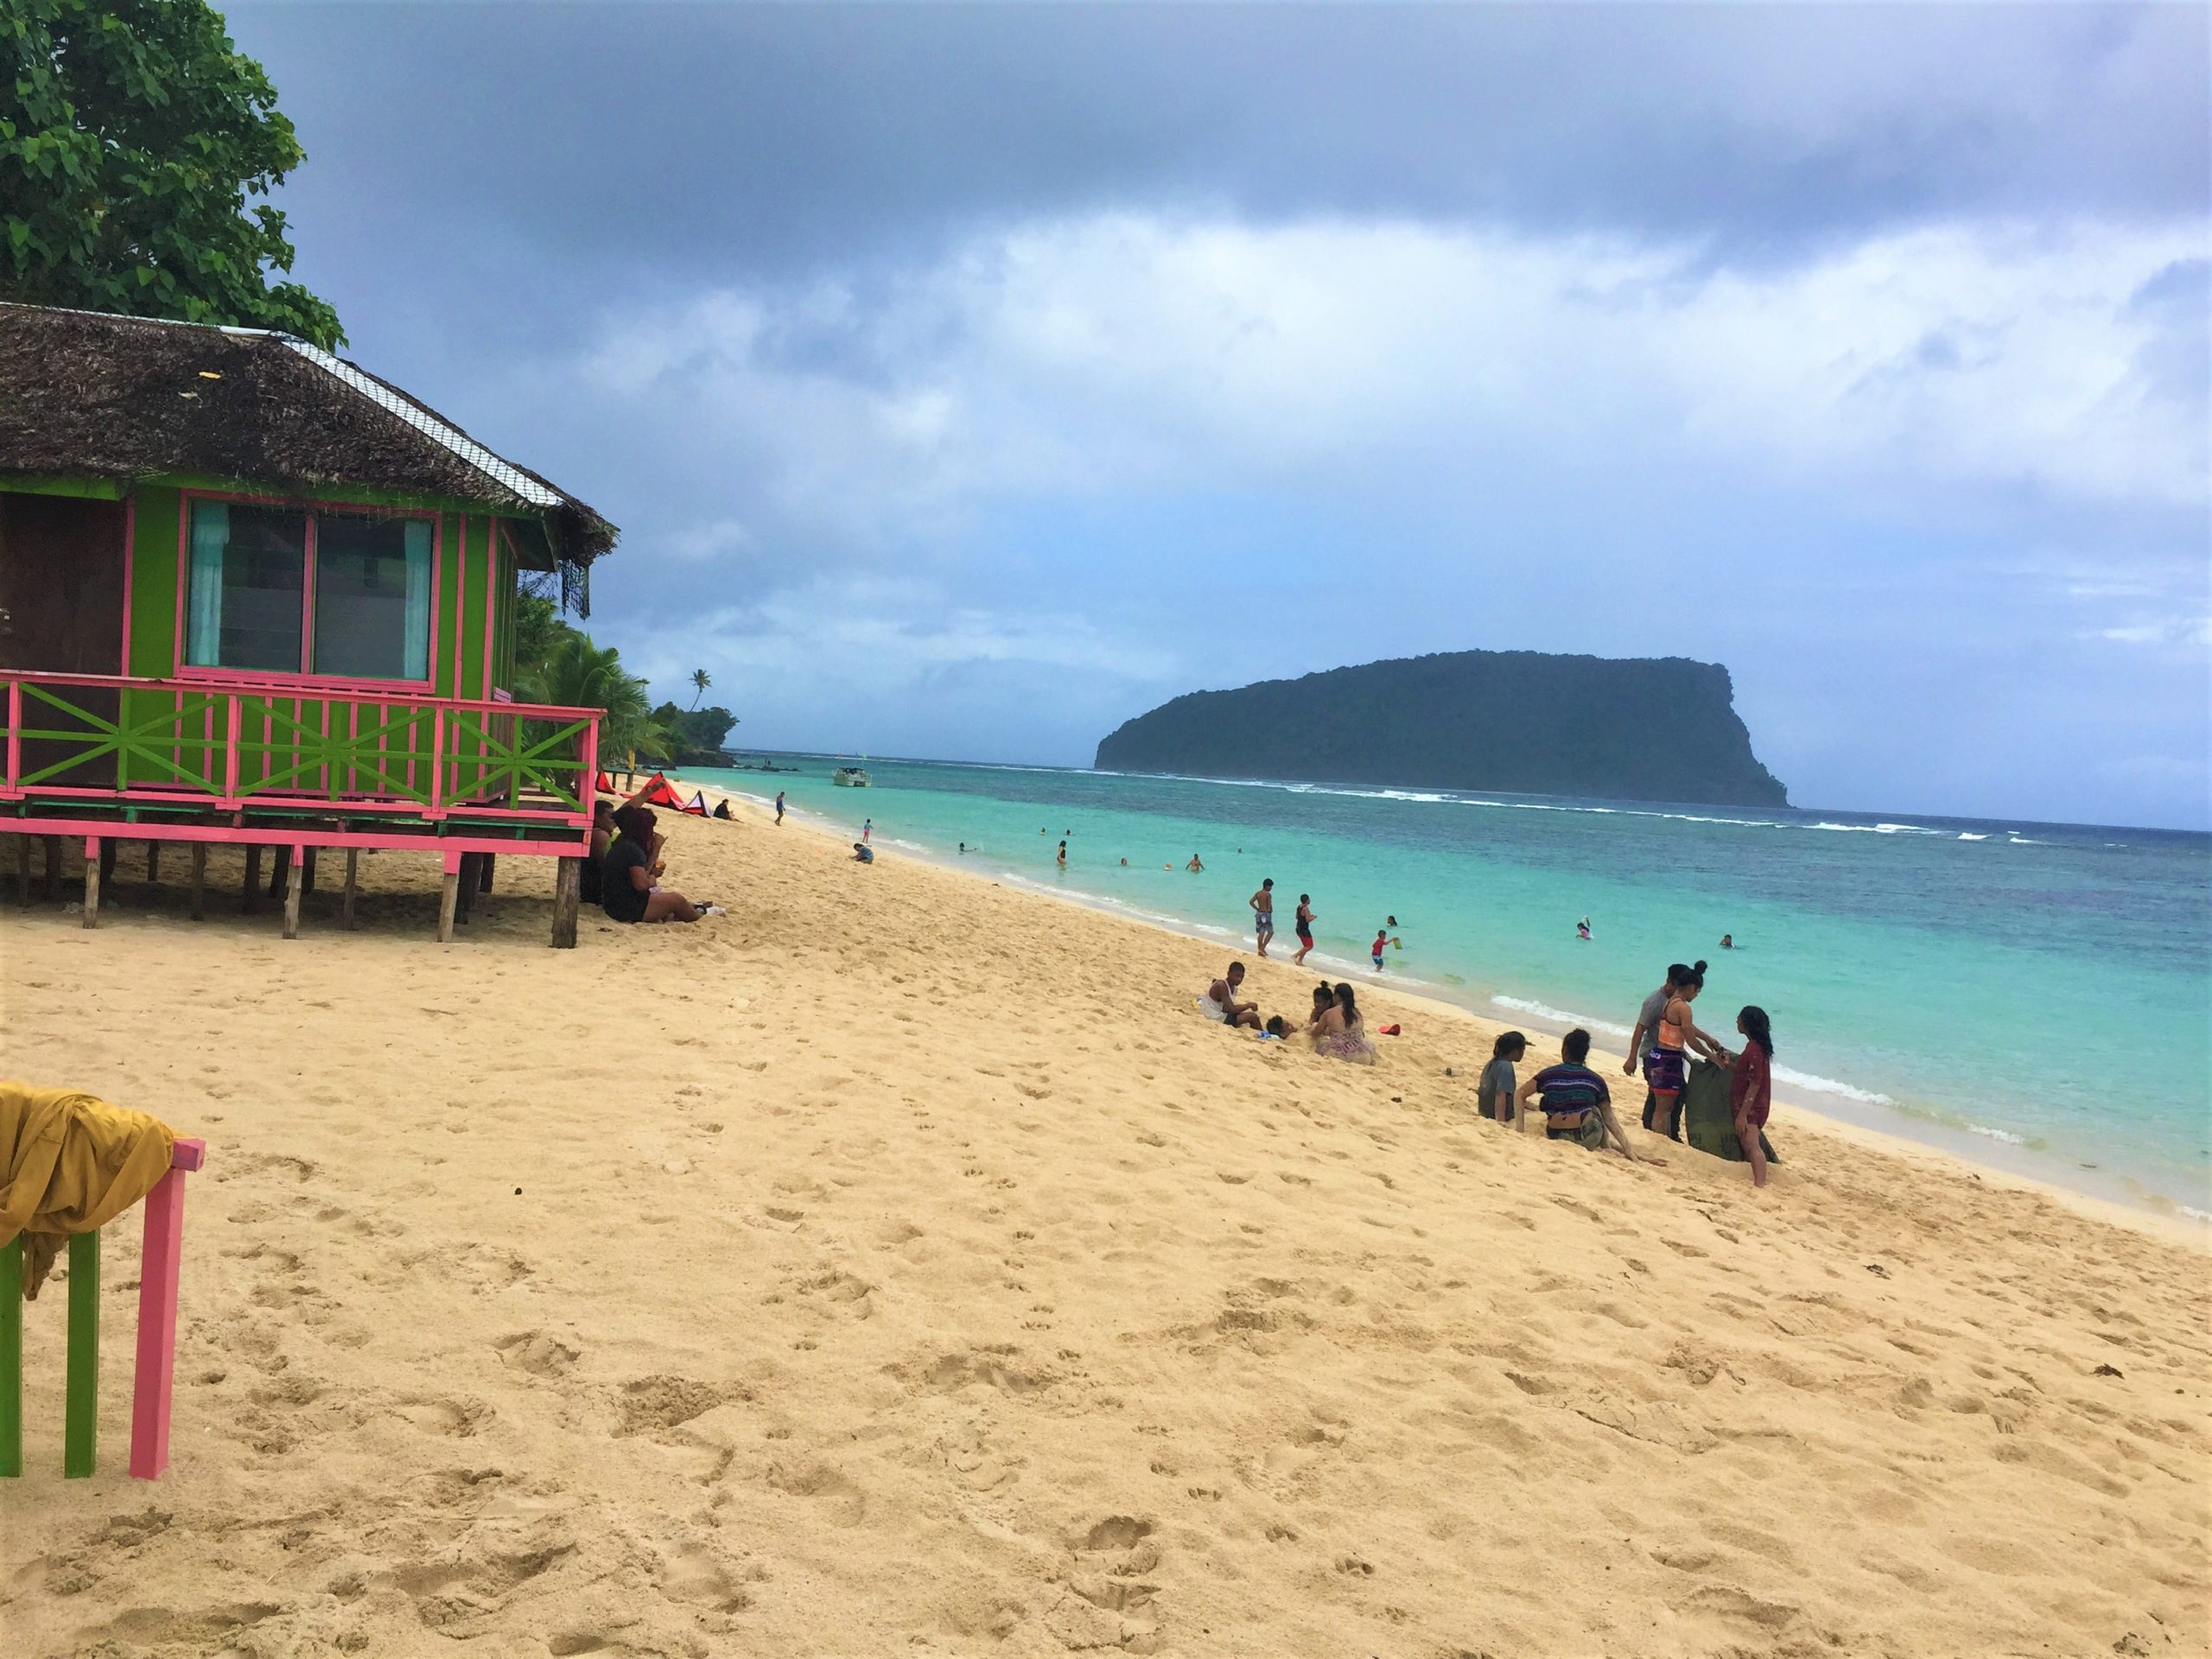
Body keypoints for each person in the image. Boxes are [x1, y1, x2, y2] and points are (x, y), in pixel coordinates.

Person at [1518, 1029, 1662, 1163]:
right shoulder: (1595, 1080)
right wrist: (1629, 1149)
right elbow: (1609, 1119)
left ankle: (1614, 1147)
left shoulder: (1548, 1074)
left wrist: (1520, 1130)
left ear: (1565, 1051)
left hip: (1555, 1133)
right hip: (1587, 1138)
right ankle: (1608, 1147)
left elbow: (1520, 1094)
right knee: (1596, 1110)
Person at [1647, 966, 1730, 1141]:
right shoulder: (1684, 1008)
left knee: (1662, 1108)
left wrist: (1708, 1038)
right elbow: (1691, 1040)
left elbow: (1685, 1026)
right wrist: (1712, 1056)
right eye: (1697, 992)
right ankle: (1659, 1142)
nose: (1696, 996)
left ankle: (1662, 1139)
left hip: (1659, 1056)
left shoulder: (1669, 1002)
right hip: (1669, 1060)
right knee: (1664, 1109)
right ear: (1692, 987)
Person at [602, 807, 714, 923]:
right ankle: (698, 915)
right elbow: (642, 885)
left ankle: (692, 908)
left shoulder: (624, 842)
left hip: (614, 902)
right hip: (626, 908)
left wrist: (652, 865)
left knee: (670, 907)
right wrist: (652, 876)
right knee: (676, 899)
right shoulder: (632, 849)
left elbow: (639, 875)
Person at [1626, 963, 1694, 1127]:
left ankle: (1660, 1128)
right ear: (1670, 981)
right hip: (1652, 1055)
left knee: (1665, 1095)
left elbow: (1684, 1027)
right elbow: (1639, 1029)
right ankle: (1651, 1126)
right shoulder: (1655, 1002)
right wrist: (1631, 1059)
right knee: (1662, 1095)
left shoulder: (1674, 1002)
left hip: (1669, 1055)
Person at [1730, 1006, 1774, 1188]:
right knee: (1749, 1144)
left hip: (1752, 1108)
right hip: (1751, 1105)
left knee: (1753, 1146)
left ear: (1748, 1024)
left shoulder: (1754, 1050)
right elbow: (1746, 1075)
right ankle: (1759, 1182)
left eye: (1740, 1018)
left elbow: (1755, 1083)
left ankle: (1760, 1184)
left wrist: (1742, 1115)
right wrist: (1730, 1065)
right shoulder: (1755, 1048)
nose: (1737, 1020)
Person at [1315, 982, 1377, 1064]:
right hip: (1362, 1057)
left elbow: (1316, 1032)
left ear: (1337, 996)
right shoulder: (1357, 1013)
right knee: (1369, 1043)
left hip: (1336, 1054)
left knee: (1319, 1037)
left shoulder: (1330, 1012)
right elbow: (1362, 1035)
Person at [1478, 1031, 1526, 1124]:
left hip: (1484, 1110)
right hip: (1493, 1114)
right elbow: (1501, 1094)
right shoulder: (1506, 1066)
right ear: (1516, 1051)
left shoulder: (1492, 1063)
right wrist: (1501, 1121)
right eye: (1523, 1049)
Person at [579, 798, 617, 907]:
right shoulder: (600, 835)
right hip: (597, 893)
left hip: (590, 889)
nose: (613, 820)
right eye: (610, 816)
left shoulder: (592, 832)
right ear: (596, 816)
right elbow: (608, 866)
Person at [1202, 963, 1262, 1029]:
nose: (1239, 979)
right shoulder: (1221, 986)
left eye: (1242, 977)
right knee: (1252, 1016)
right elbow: (1232, 1009)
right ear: (1229, 973)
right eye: (1237, 976)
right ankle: (1263, 1034)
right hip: (1214, 1016)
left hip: (1221, 1013)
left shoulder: (1233, 988)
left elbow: (1228, 1007)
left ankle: (1260, 1032)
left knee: (1249, 1014)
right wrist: (1248, 1005)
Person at [1249, 878, 1275, 957]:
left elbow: (1251, 902)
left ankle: (1259, 950)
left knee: (1261, 932)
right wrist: (1270, 910)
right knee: (1270, 932)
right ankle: (1262, 948)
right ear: (1267, 886)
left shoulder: (1258, 893)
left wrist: (1257, 908)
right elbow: (1269, 905)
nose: (1271, 888)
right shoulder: (1268, 894)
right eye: (1270, 886)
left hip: (1259, 913)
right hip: (1265, 914)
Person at [1293, 894, 1316, 965]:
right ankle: (1295, 955)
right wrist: (1314, 917)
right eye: (1309, 899)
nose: (1310, 900)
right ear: (1307, 900)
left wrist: (1308, 916)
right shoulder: (1306, 908)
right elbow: (1308, 919)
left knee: (1305, 946)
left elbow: (1297, 917)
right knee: (1309, 946)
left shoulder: (1299, 907)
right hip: (1304, 930)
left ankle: (1300, 961)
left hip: (1298, 928)